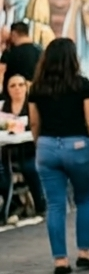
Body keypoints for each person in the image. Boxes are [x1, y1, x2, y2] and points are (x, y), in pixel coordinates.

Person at [26, 38, 89, 274]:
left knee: (55, 204)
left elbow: (33, 121)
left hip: (47, 146)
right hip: (77, 146)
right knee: (84, 199)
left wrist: (41, 143)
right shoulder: (81, 85)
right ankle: (84, 252)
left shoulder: (37, 87)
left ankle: (60, 259)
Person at [2, 74, 45, 221]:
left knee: (30, 167)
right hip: (7, 151)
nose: (17, 89)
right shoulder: (3, 107)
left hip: (30, 150)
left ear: (26, 87)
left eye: (20, 85)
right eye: (12, 86)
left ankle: (40, 206)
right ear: (7, 89)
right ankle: (12, 206)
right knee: (3, 172)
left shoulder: (33, 105)